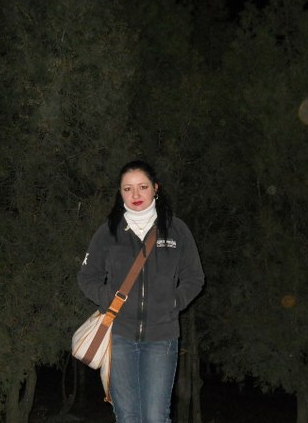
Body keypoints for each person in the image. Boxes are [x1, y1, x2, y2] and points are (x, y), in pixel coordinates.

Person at [78, 160, 205, 422]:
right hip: (119, 335)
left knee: (156, 416)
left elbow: (194, 278)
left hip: (162, 336)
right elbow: (87, 277)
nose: (135, 194)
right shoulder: (109, 231)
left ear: (155, 188)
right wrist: (110, 299)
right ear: (120, 192)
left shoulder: (176, 230)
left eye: (143, 187)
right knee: (127, 416)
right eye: (128, 188)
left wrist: (174, 301)